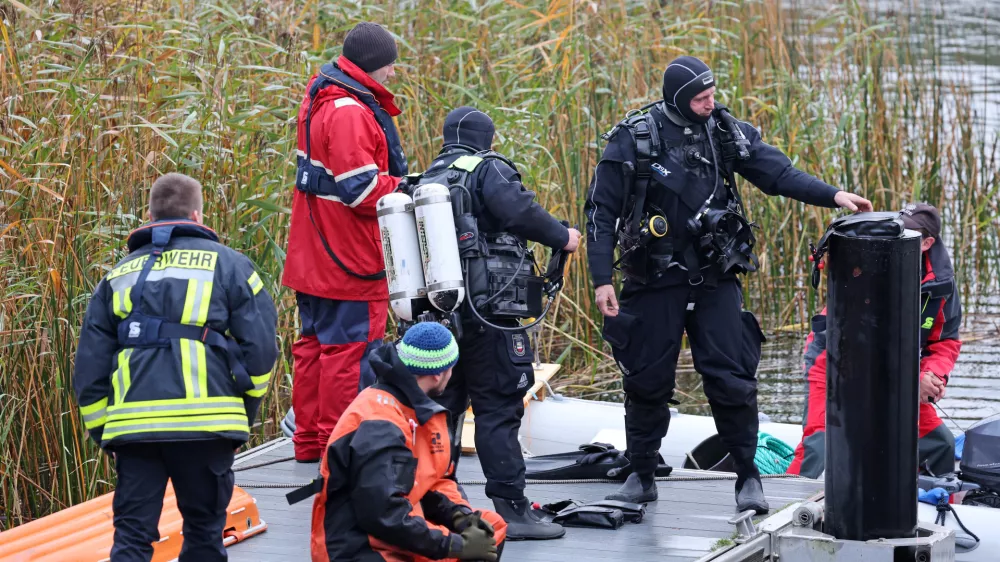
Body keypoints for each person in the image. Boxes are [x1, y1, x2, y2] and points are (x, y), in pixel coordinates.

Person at [584, 55, 873, 513]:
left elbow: (777, 173)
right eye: (702, 98)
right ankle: (641, 475)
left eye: (712, 94)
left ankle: (747, 477)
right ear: (679, 98)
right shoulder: (634, 139)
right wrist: (602, 279)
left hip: (715, 275)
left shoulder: (724, 131)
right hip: (653, 278)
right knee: (646, 379)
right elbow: (600, 213)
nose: (710, 103)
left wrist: (832, 195)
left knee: (732, 379)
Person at [73, 173, 279, 561]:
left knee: (132, 538)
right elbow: (262, 349)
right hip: (208, 427)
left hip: (134, 431)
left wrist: (105, 434)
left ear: (150, 216)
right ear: (197, 214)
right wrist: (242, 414)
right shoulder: (232, 266)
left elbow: (89, 370)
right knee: (203, 533)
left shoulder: (116, 277)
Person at [407, 106, 580, 540]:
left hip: (441, 314)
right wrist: (564, 236)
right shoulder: (486, 169)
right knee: (499, 408)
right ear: (487, 137)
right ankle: (513, 510)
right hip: (490, 312)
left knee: (441, 410)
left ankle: (435, 502)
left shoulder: (427, 178)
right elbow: (520, 211)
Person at [283, 22, 407, 462]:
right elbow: (360, 190)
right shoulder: (351, 111)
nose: (393, 74)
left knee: (314, 350)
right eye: (391, 65)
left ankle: (312, 444)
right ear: (375, 65)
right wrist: (405, 188)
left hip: (313, 256)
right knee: (350, 357)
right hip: (348, 262)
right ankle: (344, 452)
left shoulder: (320, 98)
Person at [788, 203, 962, 478]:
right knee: (819, 447)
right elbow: (861, 345)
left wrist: (931, 374)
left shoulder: (942, 284)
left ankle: (928, 506)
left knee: (940, 445)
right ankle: (784, 507)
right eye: (897, 226)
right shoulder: (867, 265)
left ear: (927, 242)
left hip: (898, 376)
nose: (897, 236)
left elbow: (946, 342)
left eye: (907, 232)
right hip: (833, 365)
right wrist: (912, 379)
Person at [309, 322, 507, 561]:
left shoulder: (413, 406)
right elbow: (383, 514)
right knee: (466, 549)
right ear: (438, 373)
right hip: (360, 547)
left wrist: (460, 516)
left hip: (398, 523)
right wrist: (452, 545)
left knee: (490, 526)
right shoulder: (381, 424)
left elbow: (431, 481)